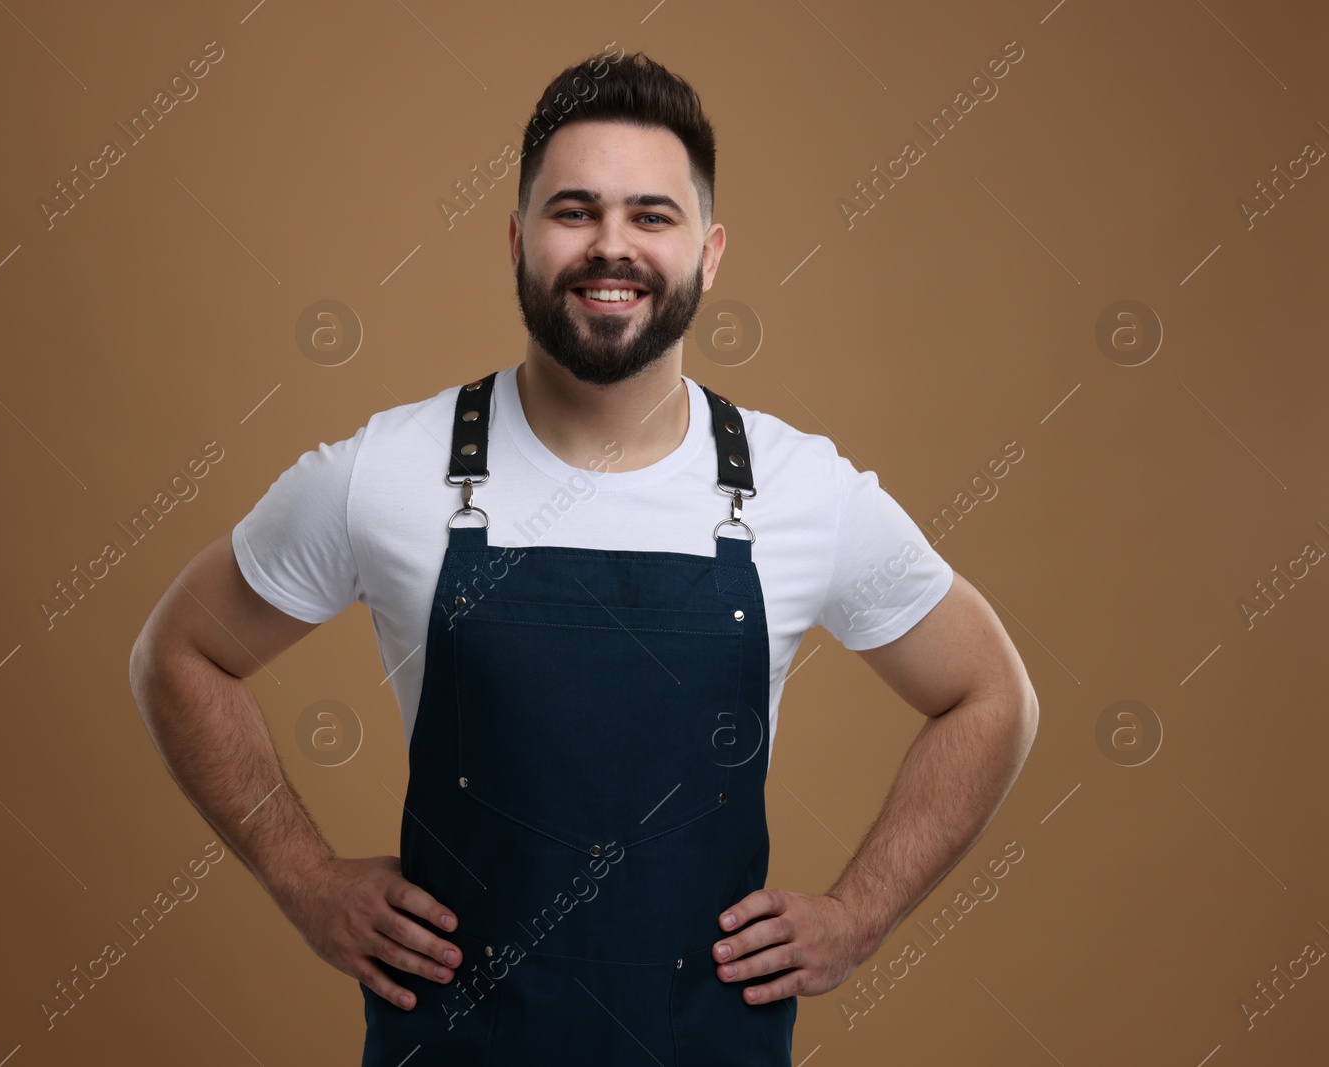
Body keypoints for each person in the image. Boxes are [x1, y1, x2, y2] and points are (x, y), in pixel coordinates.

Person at [129, 49, 1038, 1066]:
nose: (613, 247)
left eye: (652, 215)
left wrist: (859, 913)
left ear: (710, 250)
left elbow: (990, 697)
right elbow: (181, 653)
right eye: (575, 211)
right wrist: (302, 878)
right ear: (518, 239)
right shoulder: (387, 470)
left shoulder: (799, 490)